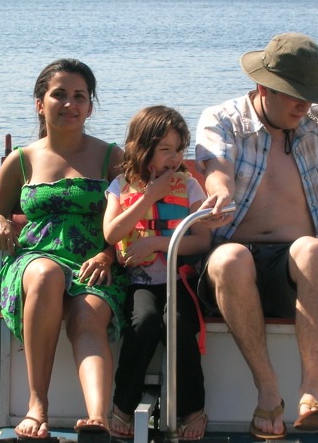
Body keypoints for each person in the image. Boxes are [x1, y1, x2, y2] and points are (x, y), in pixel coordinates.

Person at [194, 33, 318, 439]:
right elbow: (216, 165)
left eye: (309, 96)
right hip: (232, 267)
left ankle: (311, 393)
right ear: (262, 87)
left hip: (295, 270)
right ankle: (268, 388)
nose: (304, 106)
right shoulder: (222, 119)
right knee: (230, 259)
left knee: (312, 250)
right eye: (295, 95)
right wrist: (219, 190)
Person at [0, 58, 129, 440]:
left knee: (87, 316)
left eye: (79, 96)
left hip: (93, 264)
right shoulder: (22, 161)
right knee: (46, 274)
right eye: (58, 94)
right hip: (33, 262)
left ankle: (98, 419)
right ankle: (36, 404)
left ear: (90, 107)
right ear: (40, 103)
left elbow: (136, 221)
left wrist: (109, 255)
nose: (69, 104)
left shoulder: (112, 157)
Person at [103, 106, 211, 441]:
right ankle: (123, 402)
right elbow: (112, 234)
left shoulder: (191, 187)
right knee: (145, 322)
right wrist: (150, 195)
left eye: (180, 149)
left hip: (180, 281)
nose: (175, 158)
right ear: (143, 148)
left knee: (177, 325)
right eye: (166, 149)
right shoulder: (120, 186)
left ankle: (192, 408)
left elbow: (202, 239)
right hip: (141, 282)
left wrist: (156, 243)